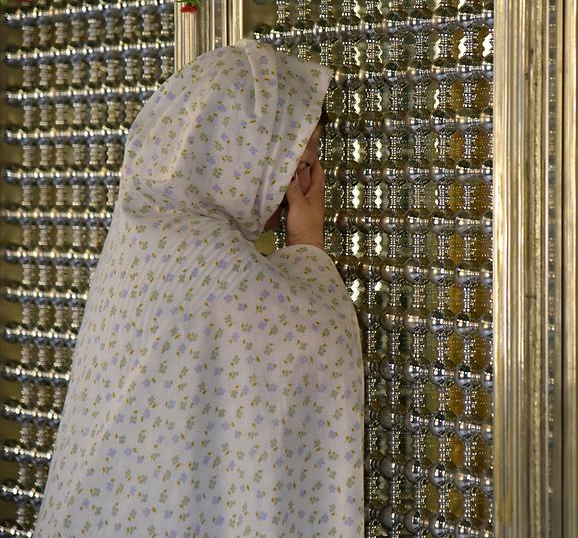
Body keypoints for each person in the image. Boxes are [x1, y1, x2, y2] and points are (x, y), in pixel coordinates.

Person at [32, 39, 363, 537]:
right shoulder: (208, 258)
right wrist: (307, 241)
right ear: (239, 145)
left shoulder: (145, 231)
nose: (304, 175)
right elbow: (314, 345)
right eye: (298, 153)